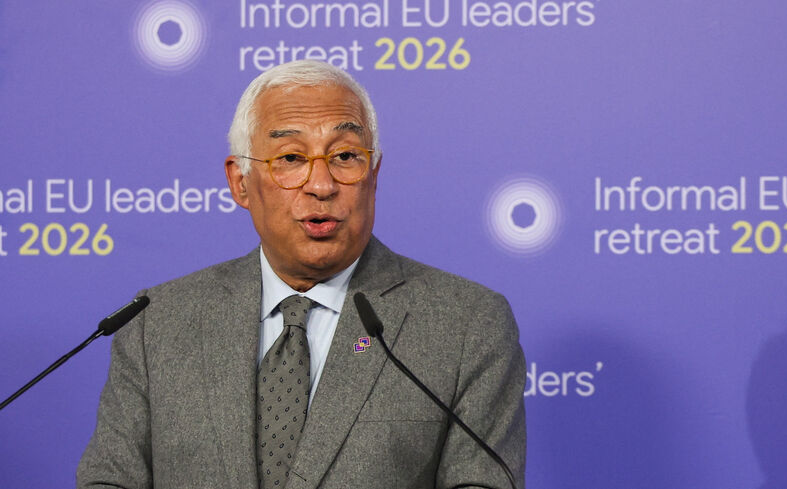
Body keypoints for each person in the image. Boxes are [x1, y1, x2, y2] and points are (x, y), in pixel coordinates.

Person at [77, 60, 526, 489]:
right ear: (240, 182)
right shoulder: (158, 323)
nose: (322, 184)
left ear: (374, 173)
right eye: (291, 157)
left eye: (346, 155)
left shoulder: (466, 324)